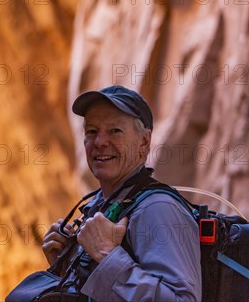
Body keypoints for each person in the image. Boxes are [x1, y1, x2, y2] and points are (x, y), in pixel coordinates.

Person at [42, 85, 202, 301]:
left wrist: (107, 256)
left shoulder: (158, 209)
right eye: (92, 131)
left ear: (144, 142)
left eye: (114, 131)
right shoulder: (102, 205)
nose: (100, 142)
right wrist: (66, 265)